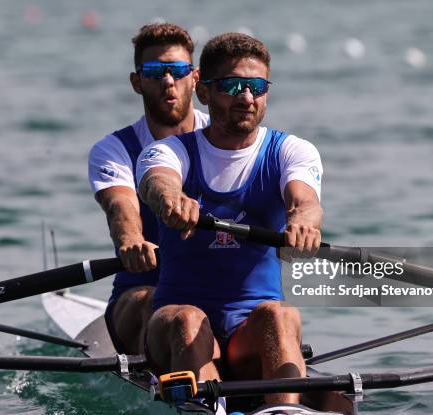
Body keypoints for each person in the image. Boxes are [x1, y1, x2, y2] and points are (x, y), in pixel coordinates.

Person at [137, 32, 323, 405]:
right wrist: (172, 200)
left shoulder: (292, 150)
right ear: (203, 92)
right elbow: (158, 183)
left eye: (256, 86)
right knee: (189, 320)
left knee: (279, 315)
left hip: (250, 332)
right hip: (175, 320)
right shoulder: (169, 150)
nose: (246, 98)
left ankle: (283, 412)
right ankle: (206, 406)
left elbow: (306, 201)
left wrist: (303, 222)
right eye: (233, 85)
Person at [87, 23, 209, 355]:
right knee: (157, 302)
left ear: (195, 78)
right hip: (141, 290)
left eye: (178, 70)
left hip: (218, 291)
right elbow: (121, 207)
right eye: (155, 72)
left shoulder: (224, 139)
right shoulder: (113, 150)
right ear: (137, 82)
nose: (168, 81)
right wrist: (131, 240)